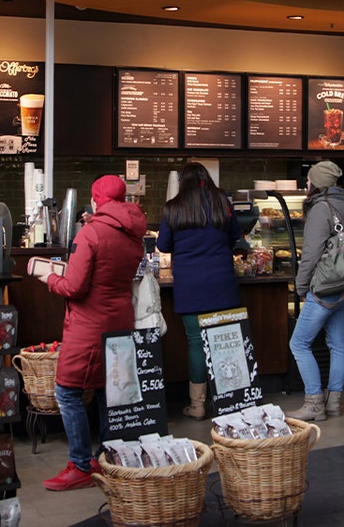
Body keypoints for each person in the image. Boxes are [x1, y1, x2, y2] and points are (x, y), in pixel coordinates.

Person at [35, 175, 147, 491]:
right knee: (107, 392)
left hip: (88, 324)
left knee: (67, 392)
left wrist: (48, 278)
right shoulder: (133, 233)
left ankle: (81, 464)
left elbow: (74, 286)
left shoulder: (91, 233)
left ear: (96, 200)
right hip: (121, 321)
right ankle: (108, 457)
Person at [156, 162, 242, 420]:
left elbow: (162, 244)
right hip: (222, 282)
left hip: (191, 285)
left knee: (196, 343)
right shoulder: (222, 203)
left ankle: (197, 405)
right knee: (224, 341)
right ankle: (229, 400)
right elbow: (234, 236)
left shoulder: (174, 208)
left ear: (183, 182)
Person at [288, 161, 344, 421]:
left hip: (325, 288)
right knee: (338, 345)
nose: (306, 184)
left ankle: (314, 404)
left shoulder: (321, 208)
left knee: (298, 343)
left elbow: (311, 254)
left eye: (308, 180)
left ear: (316, 182)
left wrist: (300, 286)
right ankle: (334, 403)